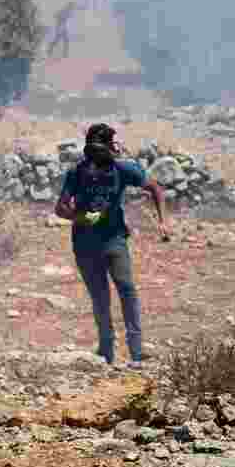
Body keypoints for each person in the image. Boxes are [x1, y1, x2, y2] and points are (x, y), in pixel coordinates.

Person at [54, 124, 169, 370]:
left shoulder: (123, 169)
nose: (97, 159)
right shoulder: (76, 172)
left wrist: (163, 222)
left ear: (110, 147)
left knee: (126, 289)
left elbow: (155, 188)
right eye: (93, 152)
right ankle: (106, 352)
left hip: (114, 240)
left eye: (101, 151)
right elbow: (60, 208)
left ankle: (136, 352)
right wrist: (81, 217)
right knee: (100, 297)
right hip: (84, 244)